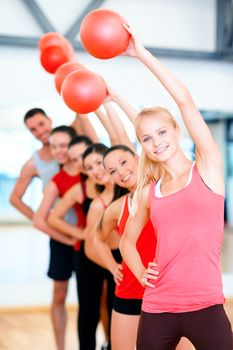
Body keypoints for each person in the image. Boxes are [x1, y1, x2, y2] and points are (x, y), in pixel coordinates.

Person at [119, 24, 233, 350]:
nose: (156, 143)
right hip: (158, 307)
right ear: (142, 145)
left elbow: (184, 100)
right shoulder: (150, 192)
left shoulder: (208, 169)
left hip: (207, 306)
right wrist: (140, 272)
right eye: (147, 138)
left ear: (176, 131)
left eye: (162, 133)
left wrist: (140, 54)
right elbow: (127, 240)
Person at [48, 143, 120, 350]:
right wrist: (79, 234)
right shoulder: (84, 190)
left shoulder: (123, 186)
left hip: (117, 257)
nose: (95, 170)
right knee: (89, 314)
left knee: (115, 310)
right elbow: (54, 218)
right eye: (88, 167)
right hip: (90, 258)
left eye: (99, 163)